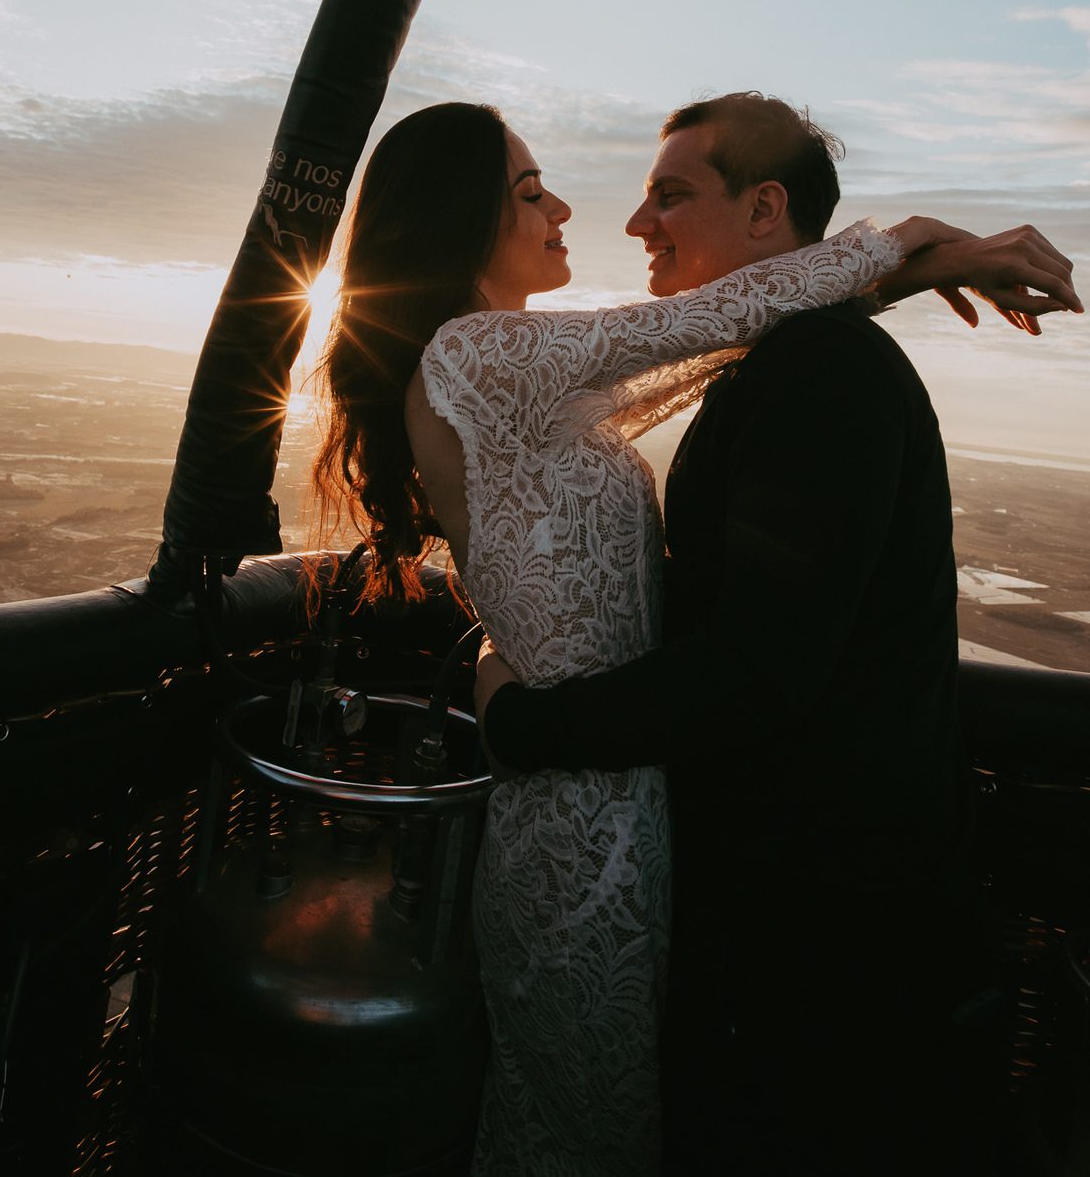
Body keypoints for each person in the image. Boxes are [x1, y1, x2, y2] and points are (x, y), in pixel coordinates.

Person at [312, 98, 1078, 1177]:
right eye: (531, 191)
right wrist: (912, 238)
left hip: (635, 808)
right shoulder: (475, 358)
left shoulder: (547, 389)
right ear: (452, 220)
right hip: (582, 822)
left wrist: (894, 272)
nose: (581, 209)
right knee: (588, 1138)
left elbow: (721, 335)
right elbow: (705, 324)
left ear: (764, 206)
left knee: (615, 1129)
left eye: (667, 193)